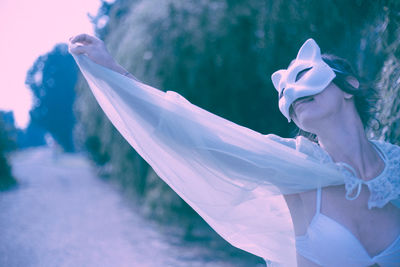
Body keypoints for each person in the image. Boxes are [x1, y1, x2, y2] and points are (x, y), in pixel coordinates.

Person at [68, 34, 400, 266]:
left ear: (349, 87)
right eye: (286, 91)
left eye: (304, 76)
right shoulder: (293, 165)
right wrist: (114, 72)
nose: (291, 91)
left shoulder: (396, 168)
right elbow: (193, 136)